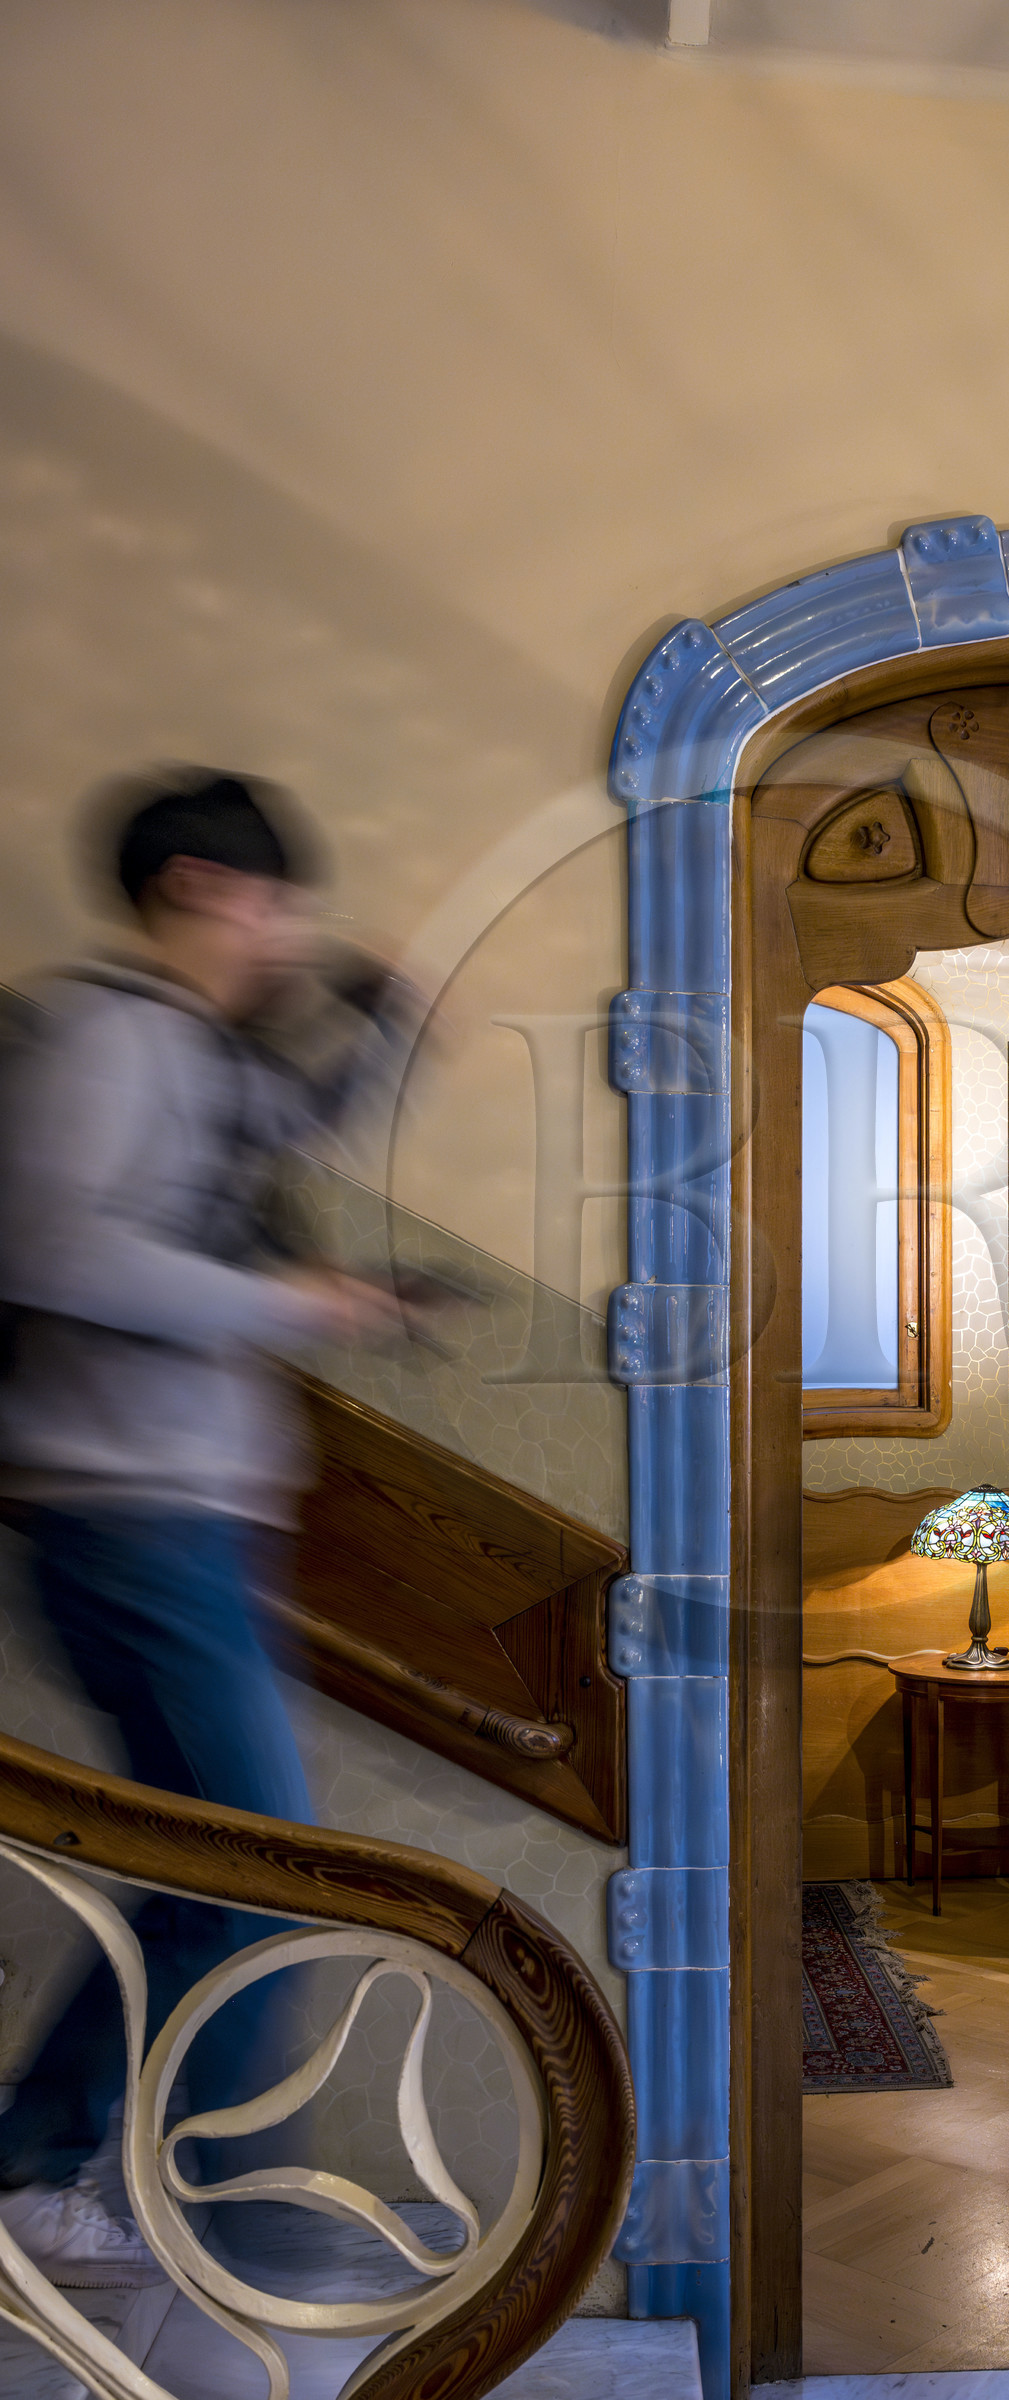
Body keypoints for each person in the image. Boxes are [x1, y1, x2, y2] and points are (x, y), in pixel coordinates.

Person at [0, 769, 418, 2286]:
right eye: (271, 898)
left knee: (208, 1874)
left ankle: (63, 2171)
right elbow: (55, 1246)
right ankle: (124, 2186)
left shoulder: (189, 1050)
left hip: (183, 1520)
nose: (284, 928)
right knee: (259, 1871)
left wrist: (386, 1023)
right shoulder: (106, 1033)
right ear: (197, 887)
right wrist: (290, 1300)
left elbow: (271, 1124)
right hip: (128, 1516)